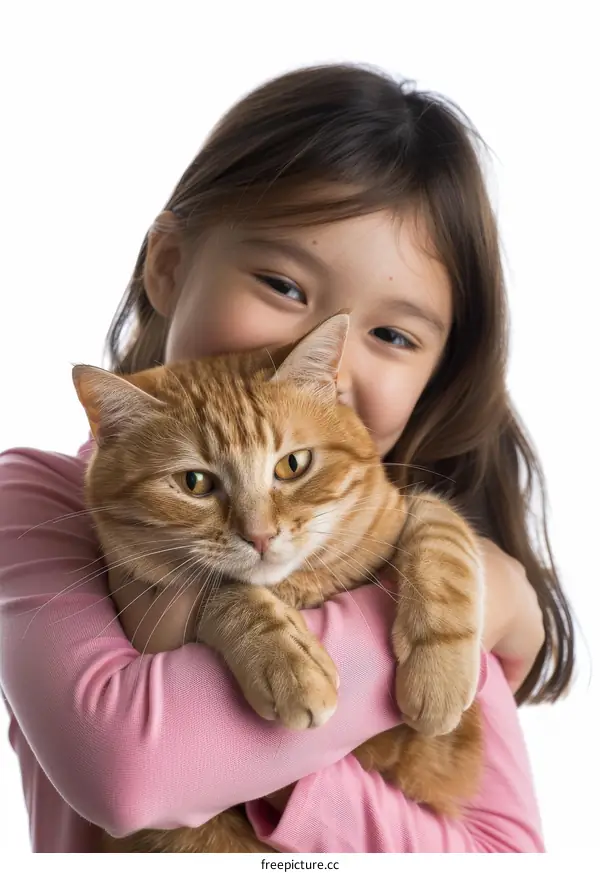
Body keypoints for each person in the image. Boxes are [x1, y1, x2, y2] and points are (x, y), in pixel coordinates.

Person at [0, 63, 573, 853]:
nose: (331, 365)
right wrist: (483, 598)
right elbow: (132, 772)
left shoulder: (417, 554)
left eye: (394, 335)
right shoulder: (36, 502)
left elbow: (509, 852)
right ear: (167, 265)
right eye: (283, 284)